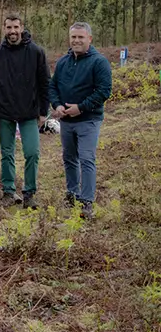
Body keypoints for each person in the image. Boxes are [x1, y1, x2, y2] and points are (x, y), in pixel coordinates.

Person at [49, 22, 112, 220]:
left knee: (86, 158)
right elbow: (52, 87)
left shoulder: (99, 62)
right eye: (73, 37)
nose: (76, 40)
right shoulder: (63, 62)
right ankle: (72, 194)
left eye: (81, 37)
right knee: (69, 158)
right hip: (66, 121)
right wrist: (57, 105)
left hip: (88, 120)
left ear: (89, 39)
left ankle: (86, 201)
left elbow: (103, 91)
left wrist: (81, 108)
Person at [0, 15, 50, 210]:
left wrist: (43, 111)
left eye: (16, 27)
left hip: (29, 112)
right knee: (6, 153)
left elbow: (44, 83)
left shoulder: (36, 52)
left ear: (22, 28)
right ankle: (8, 191)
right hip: (4, 111)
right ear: (4, 28)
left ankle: (29, 193)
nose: (12, 31)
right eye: (9, 27)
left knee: (32, 153)